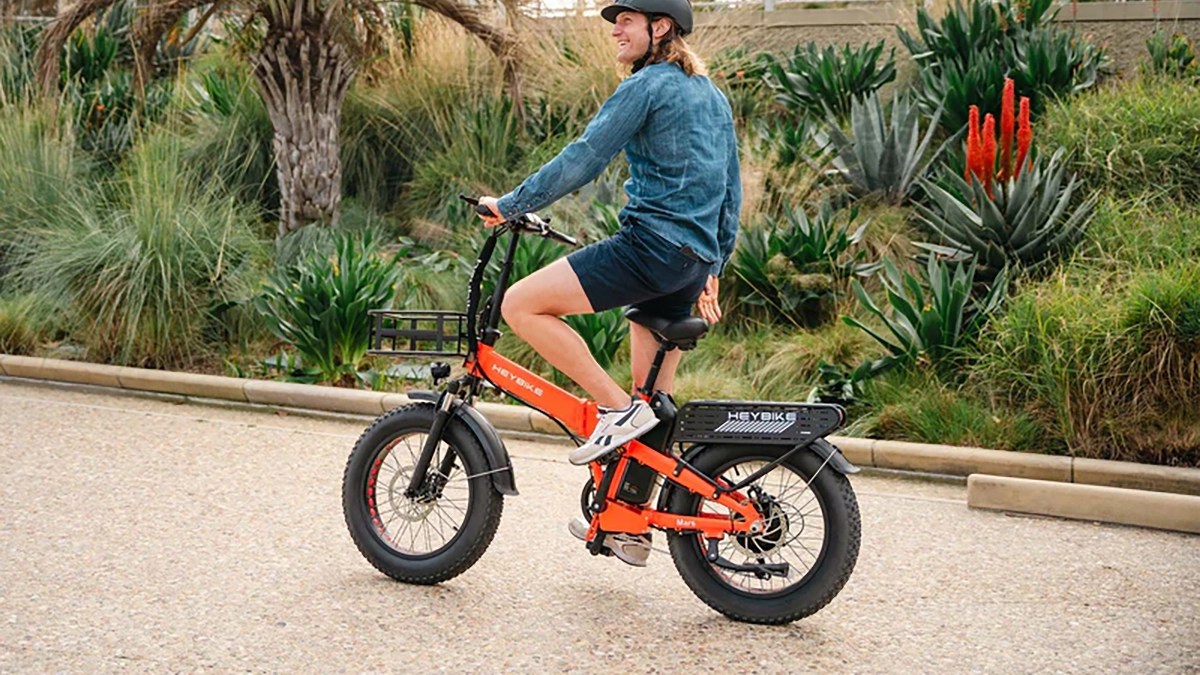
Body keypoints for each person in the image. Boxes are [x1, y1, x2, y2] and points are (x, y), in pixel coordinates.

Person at [477, 0, 741, 565]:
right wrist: (714, 265)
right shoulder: (712, 96)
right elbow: (730, 187)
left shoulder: (646, 87)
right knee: (656, 401)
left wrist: (510, 204)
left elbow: (585, 158)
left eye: (626, 19)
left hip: (650, 249)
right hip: (688, 262)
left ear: (660, 27)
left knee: (521, 305)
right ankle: (629, 527)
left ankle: (615, 411)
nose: (615, 29)